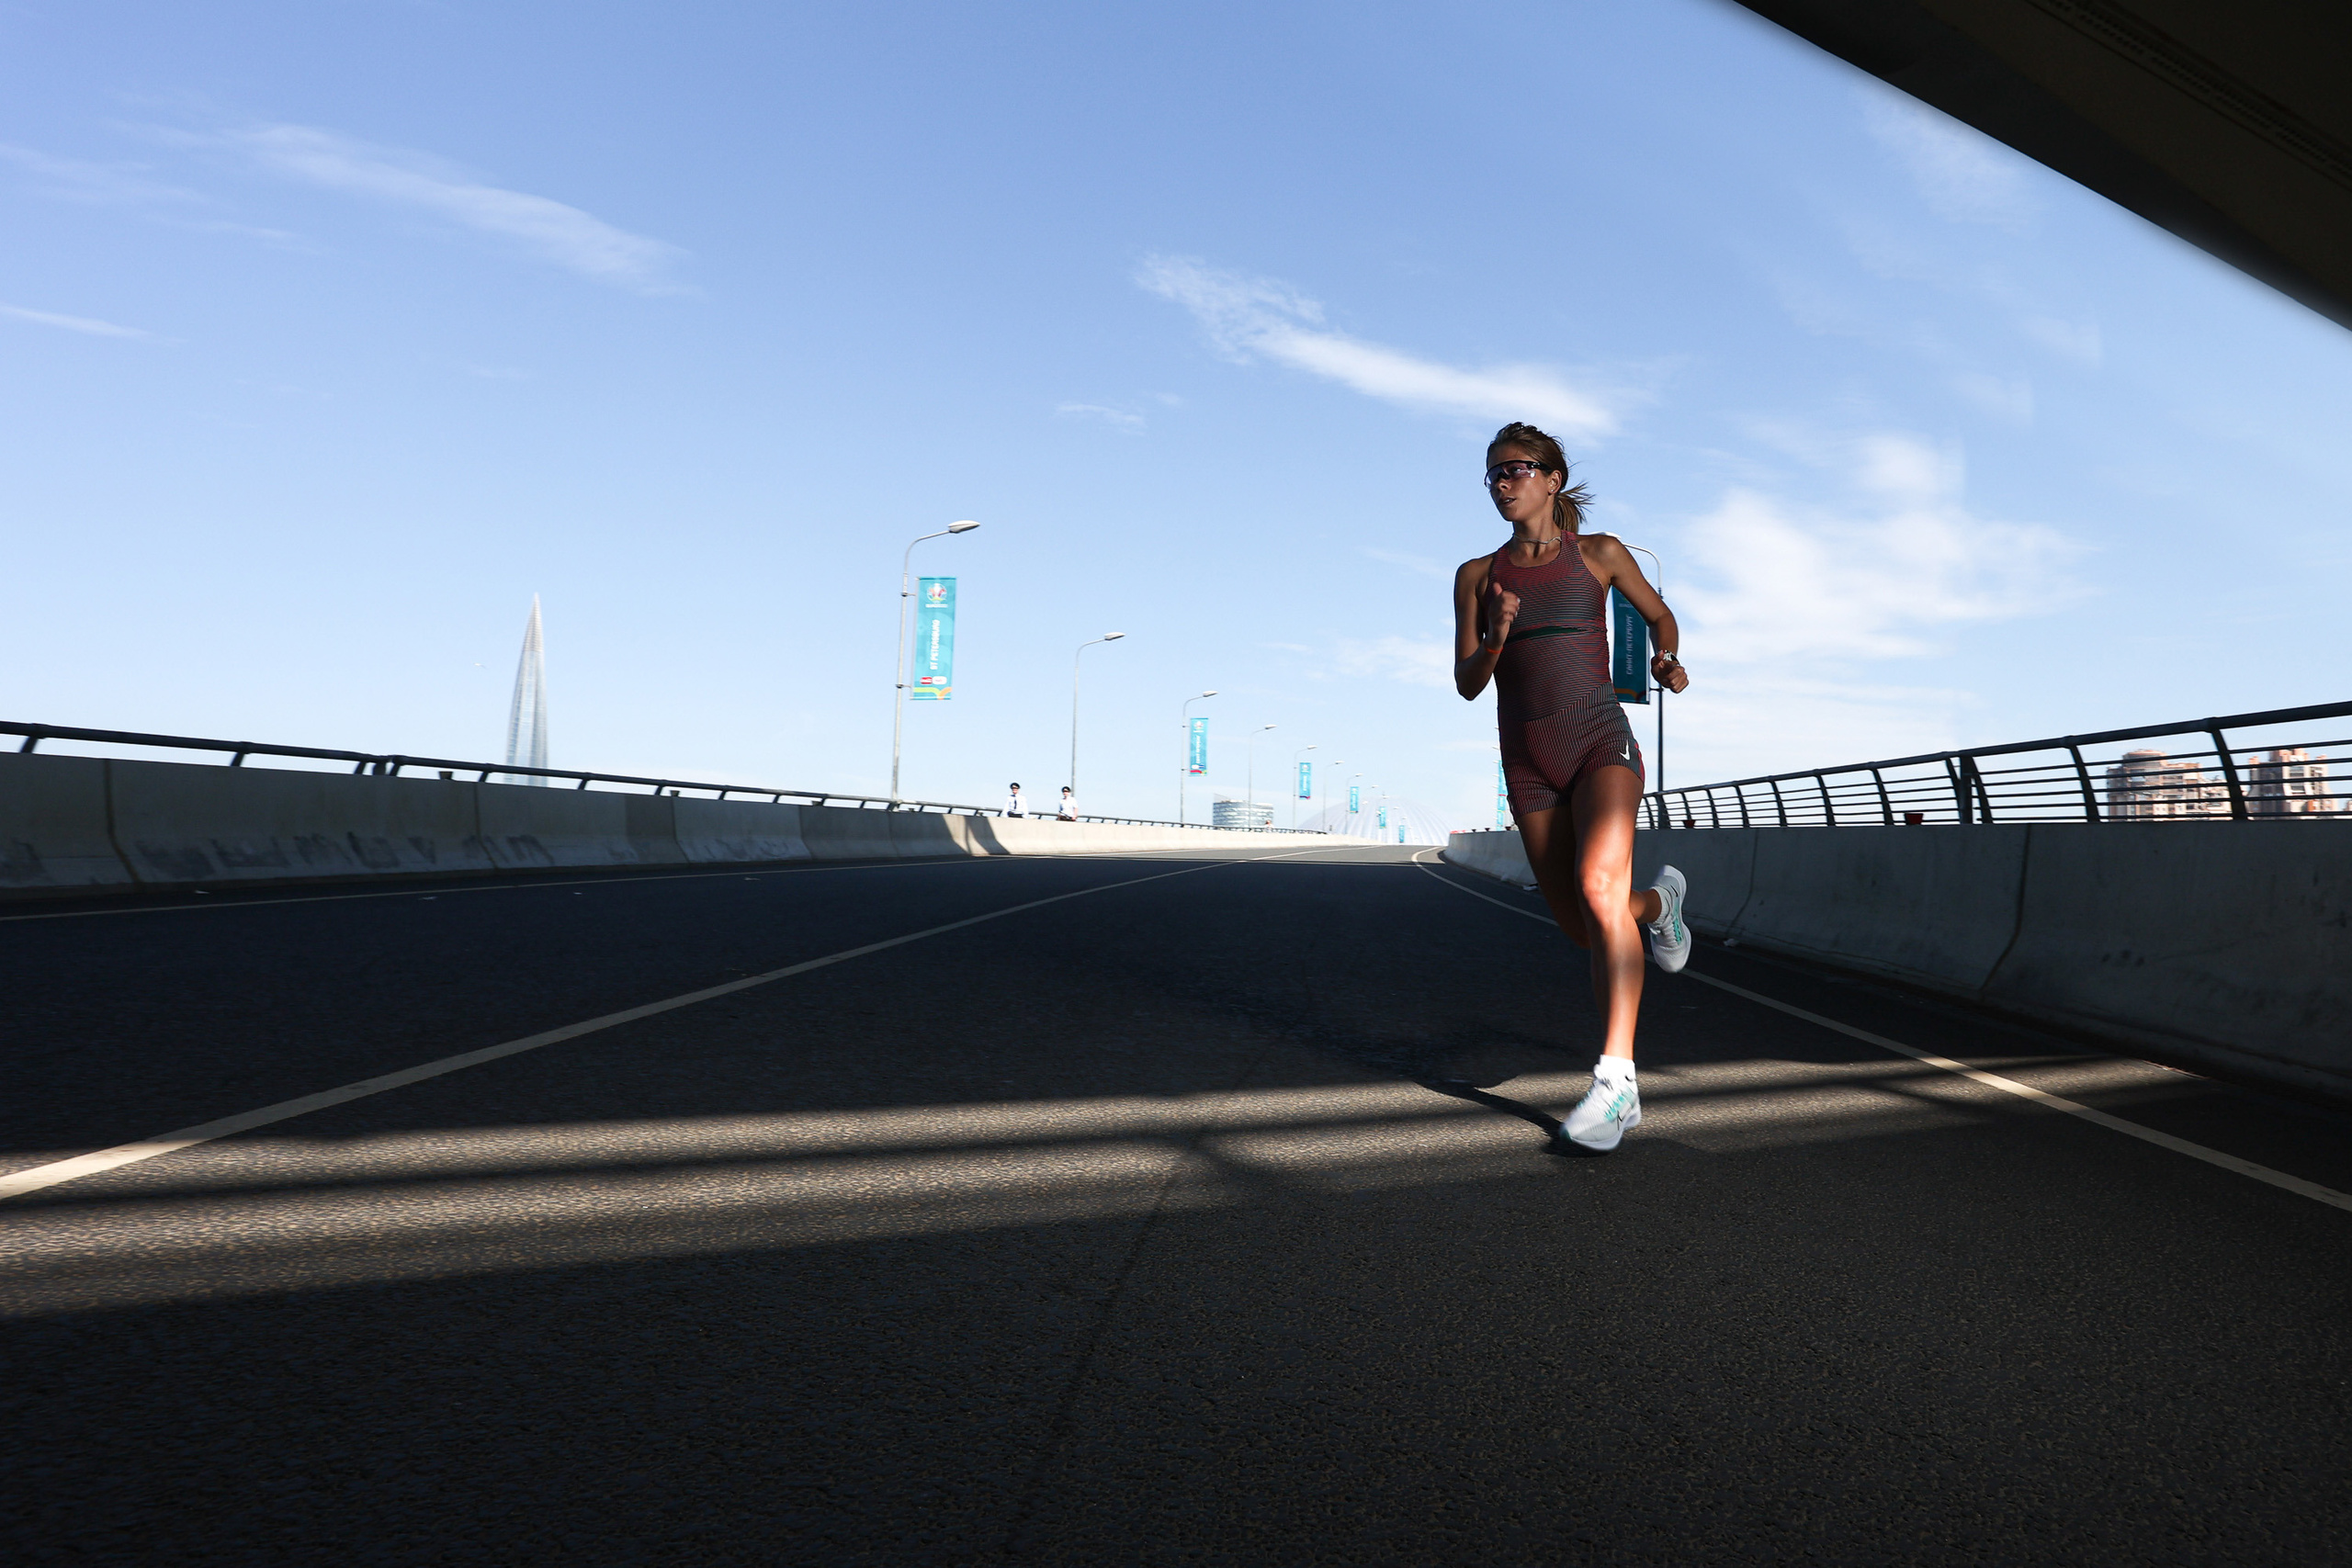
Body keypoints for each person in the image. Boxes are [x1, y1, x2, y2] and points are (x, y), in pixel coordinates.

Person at [1453, 422, 1692, 1153]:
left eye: (1517, 469)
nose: (1502, 482)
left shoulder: (1599, 554)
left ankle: (1616, 1081)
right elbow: (1467, 684)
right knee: (1585, 924)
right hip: (1527, 761)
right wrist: (1494, 634)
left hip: (1599, 740)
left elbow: (1659, 616)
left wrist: (1668, 657)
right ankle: (1660, 903)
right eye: (1493, 472)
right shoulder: (1475, 575)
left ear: (1552, 479)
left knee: (1596, 884)